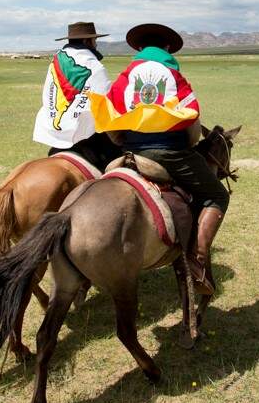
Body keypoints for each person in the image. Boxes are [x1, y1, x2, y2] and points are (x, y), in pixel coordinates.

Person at [96, 23, 229, 295]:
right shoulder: (173, 74)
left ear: (140, 48)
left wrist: (124, 143)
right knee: (217, 194)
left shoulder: (126, 75)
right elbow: (191, 117)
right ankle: (197, 260)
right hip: (171, 152)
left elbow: (109, 114)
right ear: (167, 48)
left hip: (132, 152)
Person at [32, 21, 121, 170]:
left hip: (55, 129)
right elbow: (104, 102)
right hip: (86, 135)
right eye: (95, 40)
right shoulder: (94, 66)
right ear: (87, 41)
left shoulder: (56, 61)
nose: (96, 45)